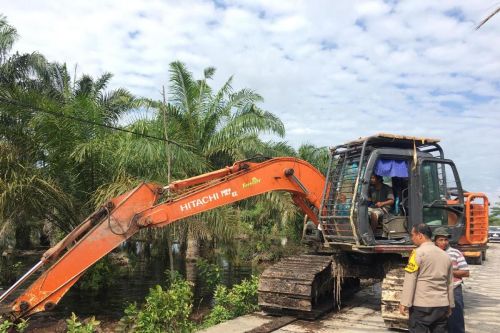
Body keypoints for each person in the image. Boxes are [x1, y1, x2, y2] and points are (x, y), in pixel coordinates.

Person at [399, 223, 454, 333]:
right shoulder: (446, 256)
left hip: (422, 306)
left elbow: (411, 279)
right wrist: (450, 304)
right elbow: (449, 283)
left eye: (412, 235)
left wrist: (405, 302)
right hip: (442, 305)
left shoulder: (417, 253)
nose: (412, 238)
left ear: (420, 235)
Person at [434, 227, 469, 333]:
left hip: (454, 289)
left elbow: (466, 272)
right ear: (434, 241)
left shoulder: (455, 253)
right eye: (441, 240)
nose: (444, 242)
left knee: (455, 320)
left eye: (446, 239)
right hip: (436, 290)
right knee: (438, 321)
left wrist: (449, 271)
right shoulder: (431, 253)